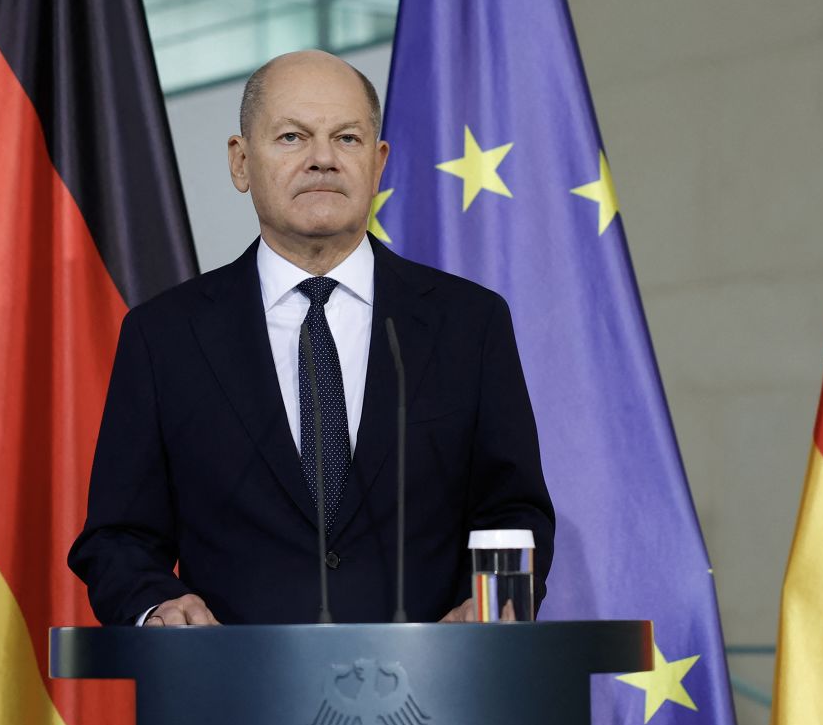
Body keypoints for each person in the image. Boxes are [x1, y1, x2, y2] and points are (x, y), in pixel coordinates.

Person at [68, 50, 553, 626]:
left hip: (434, 693)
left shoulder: (468, 322)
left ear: (378, 164)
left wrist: (491, 608)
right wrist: (160, 608)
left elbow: (512, 508)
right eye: (293, 137)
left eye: (346, 139)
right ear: (241, 162)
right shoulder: (165, 336)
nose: (322, 159)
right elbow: (119, 536)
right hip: (236, 693)